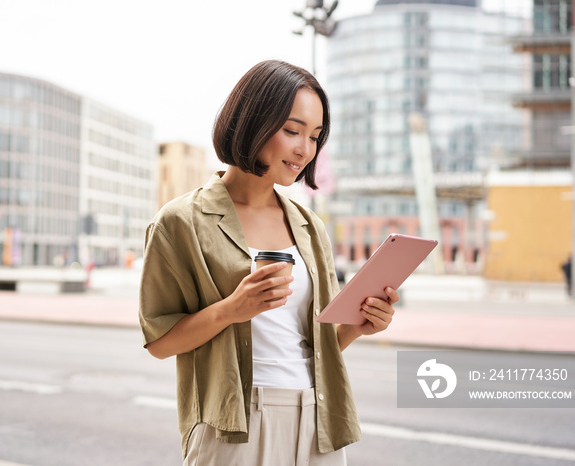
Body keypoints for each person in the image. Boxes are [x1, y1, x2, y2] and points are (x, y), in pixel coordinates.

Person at [139, 59, 399, 465]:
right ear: (252, 123)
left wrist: (359, 327)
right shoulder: (180, 221)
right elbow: (159, 342)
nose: (304, 149)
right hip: (234, 426)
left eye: (314, 137)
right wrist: (233, 309)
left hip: (319, 423)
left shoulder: (309, 226)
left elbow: (316, 348)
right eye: (292, 131)